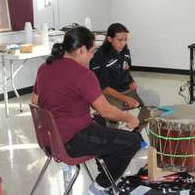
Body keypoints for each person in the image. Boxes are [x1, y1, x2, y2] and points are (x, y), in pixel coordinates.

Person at [32, 26, 141, 195]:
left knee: (100, 123)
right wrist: (129, 118)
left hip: (49, 139)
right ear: (82, 49)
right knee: (132, 141)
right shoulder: (83, 74)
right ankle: (100, 187)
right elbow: (105, 110)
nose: (92, 55)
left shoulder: (44, 68)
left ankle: (105, 169)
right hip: (72, 140)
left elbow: (35, 102)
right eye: (91, 51)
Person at [90, 23, 151, 132]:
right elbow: (102, 87)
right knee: (115, 111)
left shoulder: (125, 51)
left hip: (126, 89)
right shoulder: (99, 57)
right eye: (120, 40)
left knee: (152, 100)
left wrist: (131, 80)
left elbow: (125, 69)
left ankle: (136, 131)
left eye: (126, 40)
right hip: (109, 93)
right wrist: (125, 98)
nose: (123, 43)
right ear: (109, 39)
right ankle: (111, 133)